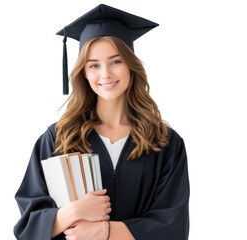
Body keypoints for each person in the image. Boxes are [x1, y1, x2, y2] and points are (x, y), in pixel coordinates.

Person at [14, 4, 190, 240]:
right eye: (94, 65)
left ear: (131, 65)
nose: (105, 73)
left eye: (116, 61)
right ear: (84, 73)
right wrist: (72, 213)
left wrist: (105, 231)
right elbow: (28, 226)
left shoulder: (165, 143)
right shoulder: (58, 138)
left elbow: (173, 226)